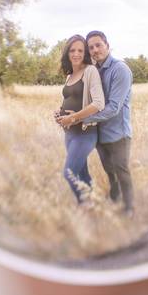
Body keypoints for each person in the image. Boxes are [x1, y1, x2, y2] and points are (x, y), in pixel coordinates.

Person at [58, 30, 134, 214]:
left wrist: (79, 119)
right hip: (100, 132)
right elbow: (85, 98)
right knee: (109, 170)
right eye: (91, 47)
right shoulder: (95, 69)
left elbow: (113, 107)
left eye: (98, 45)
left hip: (118, 133)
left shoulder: (120, 69)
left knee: (121, 170)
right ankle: (113, 198)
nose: (94, 50)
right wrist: (65, 114)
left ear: (107, 45)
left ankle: (128, 208)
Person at [55, 35, 105, 205]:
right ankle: (92, 203)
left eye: (80, 50)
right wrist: (60, 113)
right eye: (72, 50)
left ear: (85, 53)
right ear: (67, 52)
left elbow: (99, 103)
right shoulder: (69, 75)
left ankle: (86, 205)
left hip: (85, 133)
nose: (76, 53)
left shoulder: (90, 71)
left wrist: (73, 117)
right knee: (82, 173)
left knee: (69, 173)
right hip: (69, 133)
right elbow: (69, 100)